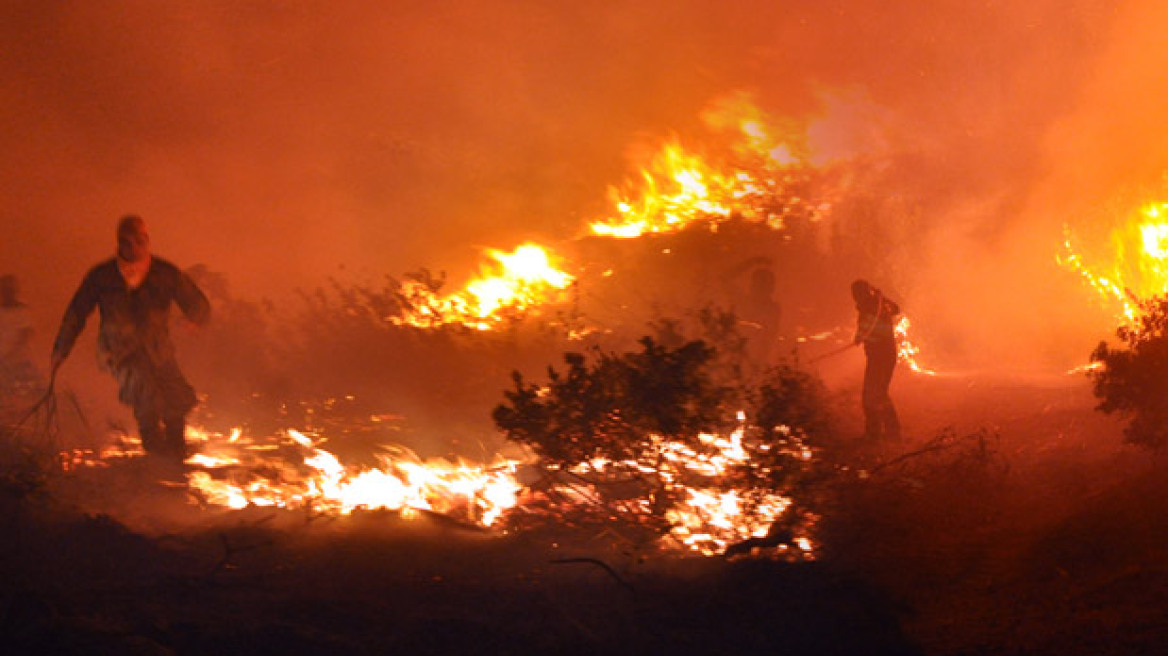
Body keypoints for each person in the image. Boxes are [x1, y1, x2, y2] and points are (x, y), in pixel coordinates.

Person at [51, 215, 210, 466]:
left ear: (147, 240)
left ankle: (175, 458)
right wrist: (61, 349)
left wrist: (193, 320)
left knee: (176, 399)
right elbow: (76, 312)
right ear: (119, 244)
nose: (134, 247)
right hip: (119, 351)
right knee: (145, 397)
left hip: (158, 349)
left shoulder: (164, 273)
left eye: (139, 241)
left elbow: (198, 303)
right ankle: (157, 460)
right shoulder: (102, 276)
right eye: (127, 242)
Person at [851, 279, 900, 441]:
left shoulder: (875, 306)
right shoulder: (873, 306)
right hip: (880, 357)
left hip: (882, 357)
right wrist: (860, 336)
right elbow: (869, 327)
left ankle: (883, 432)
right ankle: (883, 432)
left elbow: (895, 311)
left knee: (874, 395)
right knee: (876, 394)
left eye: (857, 294)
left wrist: (882, 298)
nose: (855, 298)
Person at [0, 274, 38, 394]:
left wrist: (13, 353)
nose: (8, 293)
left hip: (20, 360)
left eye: (10, 290)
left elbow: (26, 334)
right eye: (5, 290)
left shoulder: (22, 311)